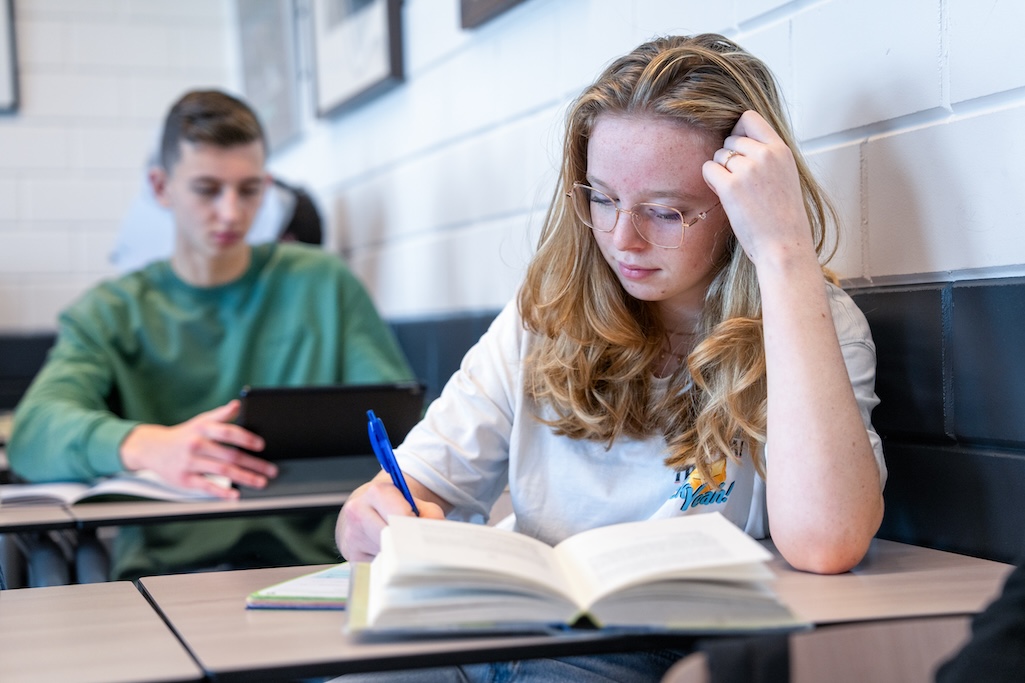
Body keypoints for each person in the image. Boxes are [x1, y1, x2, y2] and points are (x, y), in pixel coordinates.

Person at [334, 33, 886, 682]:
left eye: (666, 210)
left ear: (741, 206)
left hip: (641, 650)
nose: (622, 238)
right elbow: (406, 489)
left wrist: (785, 249)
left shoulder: (810, 321)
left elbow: (827, 542)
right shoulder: (542, 314)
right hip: (489, 632)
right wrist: (369, 519)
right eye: (601, 197)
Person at [8, 89, 413, 582]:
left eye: (249, 190)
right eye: (207, 189)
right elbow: (34, 432)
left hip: (321, 562)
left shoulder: (324, 284)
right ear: (161, 186)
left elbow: (400, 425)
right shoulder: (110, 311)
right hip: (167, 574)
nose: (231, 213)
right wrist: (147, 444)